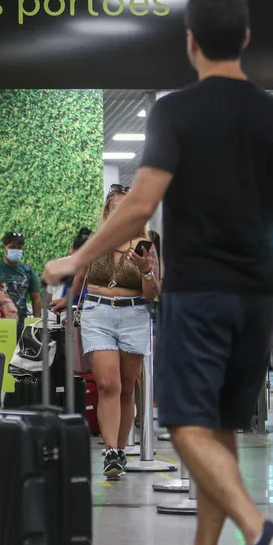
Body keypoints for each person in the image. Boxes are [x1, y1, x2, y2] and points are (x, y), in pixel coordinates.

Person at [44, 0, 273, 545]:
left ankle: (258, 533)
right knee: (223, 424)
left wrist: (76, 258)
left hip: (200, 293)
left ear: (191, 42)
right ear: (247, 39)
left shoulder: (177, 111)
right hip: (258, 296)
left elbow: (140, 203)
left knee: (182, 421)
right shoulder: (267, 110)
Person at [53, 189, 160, 480]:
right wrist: (68, 301)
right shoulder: (96, 243)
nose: (119, 212)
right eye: (114, 207)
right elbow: (80, 276)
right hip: (97, 313)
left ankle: (121, 451)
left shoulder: (145, 245)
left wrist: (147, 271)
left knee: (126, 388)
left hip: (133, 314)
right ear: (107, 212)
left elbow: (152, 294)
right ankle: (111, 450)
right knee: (108, 384)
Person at [0, 232, 42, 337]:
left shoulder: (27, 271)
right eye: (12, 247)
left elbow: (36, 298)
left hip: (20, 326)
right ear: (4, 247)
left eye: (19, 247)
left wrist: (37, 324)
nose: (16, 250)